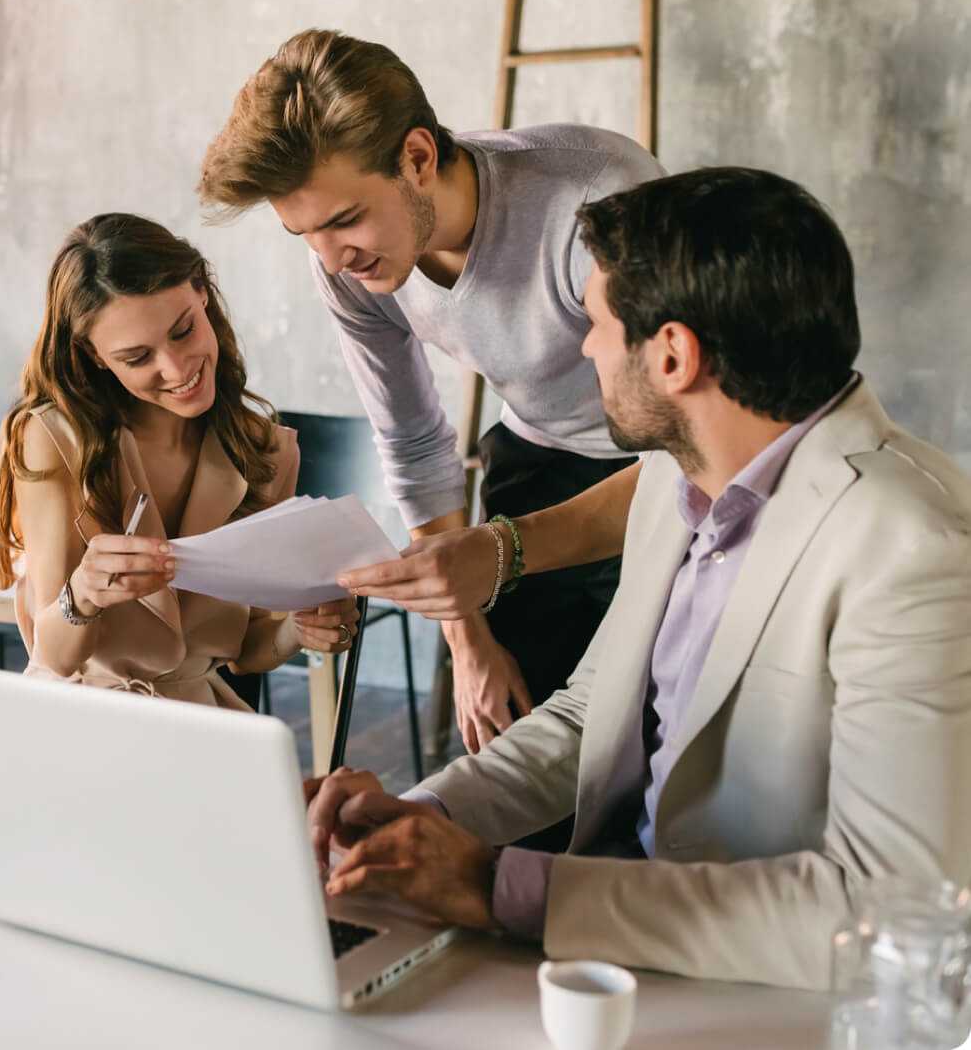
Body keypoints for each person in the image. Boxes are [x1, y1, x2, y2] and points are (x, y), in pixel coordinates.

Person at [302, 167, 971, 990]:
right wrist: (423, 817)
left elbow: (889, 910)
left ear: (673, 356)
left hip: (754, 997)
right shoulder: (673, 474)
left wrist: (494, 884)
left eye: (596, 324)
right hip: (611, 951)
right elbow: (591, 714)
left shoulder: (914, 548)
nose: (585, 348)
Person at [198, 28, 664, 755]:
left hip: (664, 469)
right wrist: (468, 637)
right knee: (526, 753)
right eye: (305, 235)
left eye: (346, 220)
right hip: (536, 459)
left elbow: (693, 453)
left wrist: (501, 553)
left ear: (417, 157)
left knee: (646, 746)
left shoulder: (598, 199)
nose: (333, 259)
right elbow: (412, 440)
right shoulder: (347, 265)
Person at [0, 213, 358, 710]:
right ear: (94, 355)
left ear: (201, 290)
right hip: (80, 718)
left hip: (202, 720)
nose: (176, 368)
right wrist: (83, 594)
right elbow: (54, 656)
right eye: (137, 358)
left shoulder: (264, 451)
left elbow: (246, 647)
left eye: (183, 331)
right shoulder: (53, 440)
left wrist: (297, 630)